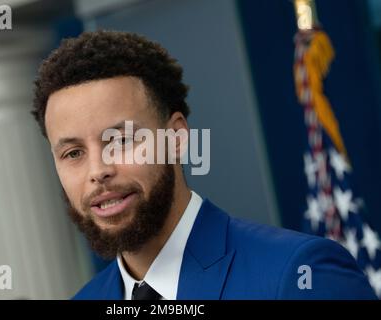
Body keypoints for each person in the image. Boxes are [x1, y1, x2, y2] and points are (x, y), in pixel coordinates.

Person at [31, 30, 377, 300]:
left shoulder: (299, 275)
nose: (98, 171)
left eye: (120, 141)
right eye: (73, 153)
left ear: (177, 138)